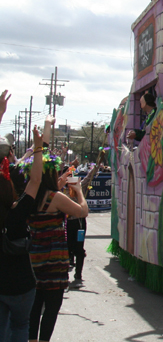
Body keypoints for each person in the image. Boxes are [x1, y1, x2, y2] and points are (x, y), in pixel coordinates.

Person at [26, 144, 88, 342]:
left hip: (33, 261)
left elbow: (53, 185)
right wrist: (78, 191)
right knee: (51, 310)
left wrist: (67, 173)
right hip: (54, 263)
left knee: (34, 309)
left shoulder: (29, 197)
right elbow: (82, 211)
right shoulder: (55, 198)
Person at [0, 113, 44, 342]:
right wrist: (38, 148)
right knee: (20, 327)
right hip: (23, 284)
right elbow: (35, 181)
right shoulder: (17, 214)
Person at [66, 159, 100, 289]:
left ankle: (78, 276)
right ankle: (64, 276)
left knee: (79, 249)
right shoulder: (62, 190)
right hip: (67, 223)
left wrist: (96, 166)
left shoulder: (80, 188)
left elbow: (89, 176)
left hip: (79, 223)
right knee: (67, 248)